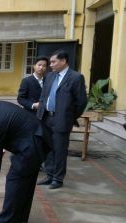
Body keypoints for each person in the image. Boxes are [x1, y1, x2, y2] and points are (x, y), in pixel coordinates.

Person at [36, 49, 87, 189]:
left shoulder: (76, 77)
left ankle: (58, 179)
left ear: (63, 61)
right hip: (46, 118)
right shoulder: (50, 76)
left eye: (53, 62)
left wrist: (69, 116)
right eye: (50, 62)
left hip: (62, 120)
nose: (50, 65)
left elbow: (81, 101)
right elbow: (44, 96)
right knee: (47, 148)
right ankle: (49, 175)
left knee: (59, 150)